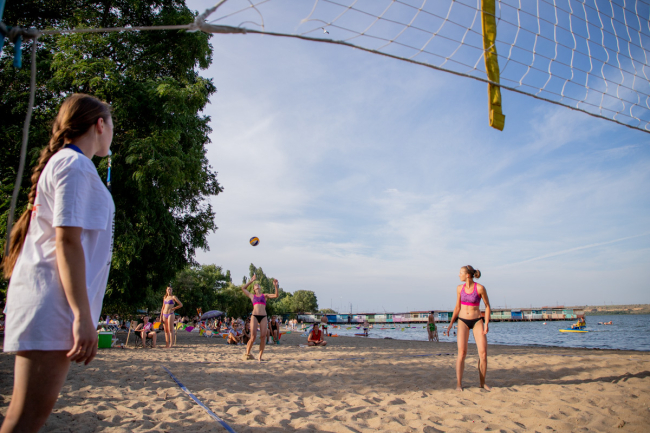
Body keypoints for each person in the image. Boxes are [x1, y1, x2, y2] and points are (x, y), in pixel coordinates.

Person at [1, 94, 114, 432]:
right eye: (112, 125)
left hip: (53, 300)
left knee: (26, 417)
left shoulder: (70, 163)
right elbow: (66, 241)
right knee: (25, 419)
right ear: (99, 124)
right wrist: (82, 316)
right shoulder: (73, 164)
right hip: (53, 303)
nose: (112, 133)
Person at [446, 265, 492, 391]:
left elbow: (487, 306)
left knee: (483, 354)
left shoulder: (480, 288)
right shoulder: (459, 288)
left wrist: (486, 323)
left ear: (467, 275)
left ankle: (482, 383)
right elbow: (457, 307)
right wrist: (451, 323)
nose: (458, 275)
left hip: (477, 321)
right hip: (463, 321)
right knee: (462, 353)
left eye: (460, 273)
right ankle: (459, 384)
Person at [240, 275, 279, 361]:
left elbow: (276, 295)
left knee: (263, 336)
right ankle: (247, 353)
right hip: (255, 316)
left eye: (258, 285)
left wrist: (276, 286)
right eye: (255, 285)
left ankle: (259, 357)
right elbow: (243, 288)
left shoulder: (264, 296)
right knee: (253, 337)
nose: (257, 286)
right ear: (254, 289)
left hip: (263, 316)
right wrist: (251, 281)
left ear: (260, 288)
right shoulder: (252, 296)